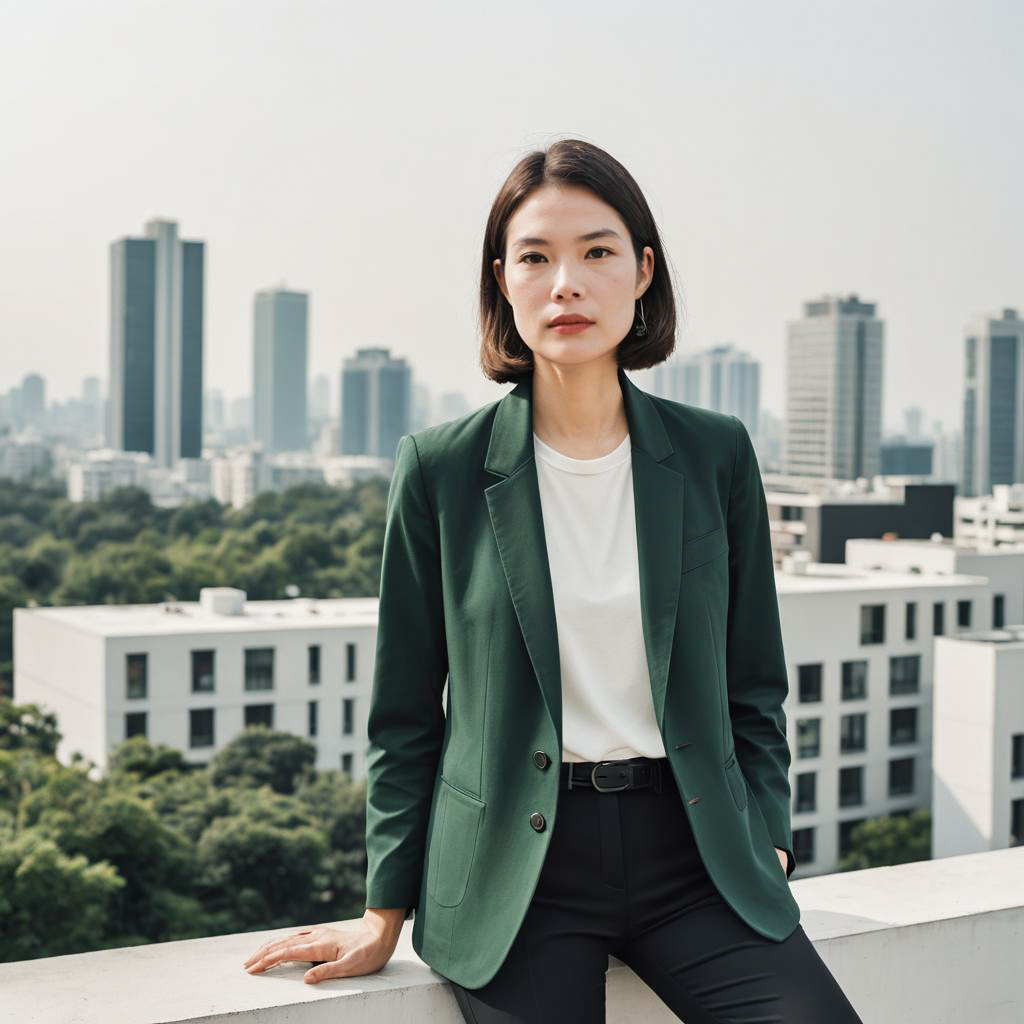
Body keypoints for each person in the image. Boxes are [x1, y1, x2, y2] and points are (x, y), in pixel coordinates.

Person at [242, 138, 864, 1023]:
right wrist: (384, 907)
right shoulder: (441, 469)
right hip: (514, 870)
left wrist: (766, 834)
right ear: (503, 280)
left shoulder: (714, 451)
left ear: (643, 271)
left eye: (597, 252)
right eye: (535, 257)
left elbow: (753, 678)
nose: (565, 282)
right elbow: (406, 712)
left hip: (695, 857)